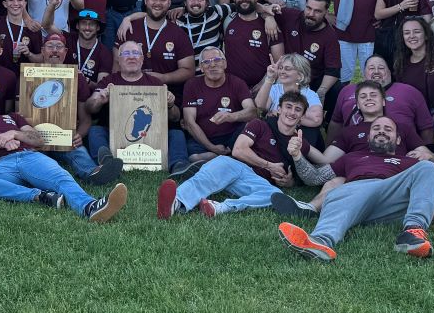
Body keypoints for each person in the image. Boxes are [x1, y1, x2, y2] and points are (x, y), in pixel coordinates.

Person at [277, 117, 434, 261]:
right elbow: (314, 178)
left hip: (391, 201)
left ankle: (413, 233)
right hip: (354, 197)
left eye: (388, 129)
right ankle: (320, 241)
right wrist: (297, 156)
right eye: (376, 128)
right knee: (341, 191)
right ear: (368, 138)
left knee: (428, 166)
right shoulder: (352, 158)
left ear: (398, 139)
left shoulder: (409, 162)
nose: (381, 131)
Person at [0, 84, 128, 221]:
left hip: (28, 156)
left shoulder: (12, 117)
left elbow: (38, 140)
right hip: (2, 166)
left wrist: (14, 133)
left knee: (61, 177)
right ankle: (38, 196)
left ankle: (90, 207)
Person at [158, 91, 311, 219]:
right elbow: (239, 150)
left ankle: (219, 207)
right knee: (214, 170)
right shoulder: (260, 124)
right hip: (237, 167)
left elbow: (304, 173)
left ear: (302, 117)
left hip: (258, 182)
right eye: (288, 107)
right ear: (279, 109)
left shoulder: (300, 143)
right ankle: (176, 202)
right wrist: (269, 165)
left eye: (297, 109)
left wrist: (289, 182)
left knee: (276, 195)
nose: (292, 112)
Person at [85, 40, 187, 171]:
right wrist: (99, 99)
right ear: (119, 59)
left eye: (135, 53)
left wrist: (171, 105)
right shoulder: (109, 81)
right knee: (95, 131)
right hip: (114, 137)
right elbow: (90, 107)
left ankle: (179, 166)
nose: (131, 57)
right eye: (126, 53)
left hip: (151, 138)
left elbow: (175, 117)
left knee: (176, 134)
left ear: (142, 59)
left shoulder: (155, 83)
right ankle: (107, 164)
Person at [38, 30, 123, 184]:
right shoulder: (28, 75)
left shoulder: (76, 78)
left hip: (64, 139)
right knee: (29, 158)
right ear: (42, 51)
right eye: (50, 46)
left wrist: (79, 135)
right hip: (35, 139)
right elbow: (21, 116)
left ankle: (95, 173)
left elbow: (85, 120)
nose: (55, 50)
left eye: (59, 46)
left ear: (65, 52)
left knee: (80, 152)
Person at [179, 46, 257, 164]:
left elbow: (252, 111)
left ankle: (223, 156)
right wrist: (212, 147)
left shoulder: (237, 83)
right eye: (206, 62)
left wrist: (231, 116)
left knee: (252, 124)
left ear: (225, 64)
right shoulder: (192, 85)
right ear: (201, 68)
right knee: (194, 157)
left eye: (217, 60)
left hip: (232, 137)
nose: (212, 65)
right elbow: (189, 122)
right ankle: (230, 158)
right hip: (203, 139)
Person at [119, 0, 196, 90]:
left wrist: (165, 78)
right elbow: (116, 63)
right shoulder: (128, 28)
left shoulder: (179, 34)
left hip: (167, 94)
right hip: (131, 92)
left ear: (169, 3)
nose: (158, 3)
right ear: (146, 0)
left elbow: (188, 70)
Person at [277, 0, 342, 111]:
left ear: (326, 12)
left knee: (336, 89)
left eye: (317, 11)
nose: (311, 14)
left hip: (311, 82)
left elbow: (333, 70)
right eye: (308, 8)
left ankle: (327, 119)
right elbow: (263, 9)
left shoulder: (330, 37)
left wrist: (321, 92)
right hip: (286, 75)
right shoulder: (291, 16)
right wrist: (269, 18)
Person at [220, 0, 283, 91]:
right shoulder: (228, 20)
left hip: (261, 89)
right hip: (232, 88)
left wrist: (264, 83)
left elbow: (279, 61)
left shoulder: (270, 25)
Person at [392, 14, 434, 113]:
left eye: (417, 32)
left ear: (426, 35)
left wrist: (432, 120)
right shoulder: (400, 63)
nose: (412, 36)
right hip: (413, 114)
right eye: (407, 33)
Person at [0, 0, 45, 66]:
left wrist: (29, 54)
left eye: (19, 0)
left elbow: (41, 59)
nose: (15, 3)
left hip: (24, 73)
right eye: (11, 0)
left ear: (25, 4)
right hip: (0, 72)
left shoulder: (33, 29)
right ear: (5, 4)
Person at [70, 9, 112, 83]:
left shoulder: (105, 53)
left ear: (98, 27)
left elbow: (101, 86)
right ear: (77, 26)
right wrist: (53, 5)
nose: (87, 27)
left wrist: (87, 81)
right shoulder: (68, 40)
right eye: (83, 23)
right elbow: (49, 26)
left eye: (92, 24)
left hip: (89, 90)